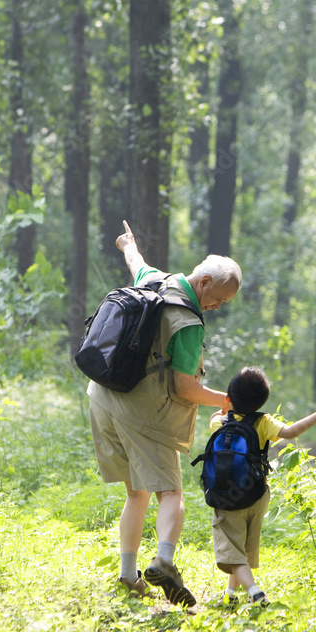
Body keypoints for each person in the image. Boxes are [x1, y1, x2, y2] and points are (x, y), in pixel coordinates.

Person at [88, 220, 241, 607]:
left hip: (103, 394)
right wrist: (229, 401)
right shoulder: (188, 322)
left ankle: (127, 574)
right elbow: (184, 388)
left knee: (136, 492)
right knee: (171, 492)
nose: (217, 307)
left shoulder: (157, 280)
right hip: (140, 411)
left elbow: (135, 261)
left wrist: (128, 242)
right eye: (219, 299)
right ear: (204, 282)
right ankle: (165, 562)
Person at [207, 367, 316, 607]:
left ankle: (255, 592)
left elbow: (214, 420)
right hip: (256, 494)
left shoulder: (219, 422)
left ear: (228, 398)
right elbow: (290, 431)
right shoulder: (264, 421)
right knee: (242, 547)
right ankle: (231, 595)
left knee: (232, 550)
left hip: (227, 497)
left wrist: (222, 410)